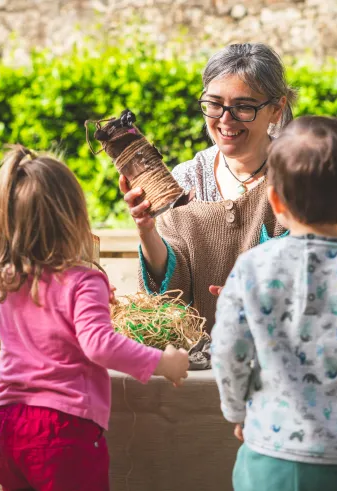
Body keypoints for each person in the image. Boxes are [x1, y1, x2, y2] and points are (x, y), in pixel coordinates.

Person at [0, 145, 189, 491]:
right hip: (61, 430)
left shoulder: (7, 279)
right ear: (73, 216)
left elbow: (48, 335)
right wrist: (164, 361)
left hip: (7, 424)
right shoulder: (83, 279)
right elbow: (99, 344)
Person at [211, 116, 337, 491]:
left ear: (274, 200)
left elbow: (228, 350)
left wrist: (236, 410)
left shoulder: (252, 267)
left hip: (269, 456)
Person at [121, 42, 297, 332]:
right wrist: (147, 230)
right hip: (194, 367)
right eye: (214, 104)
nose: (225, 119)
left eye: (243, 107)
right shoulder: (187, 179)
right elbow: (167, 297)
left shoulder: (298, 179)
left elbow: (317, 280)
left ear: (276, 110)